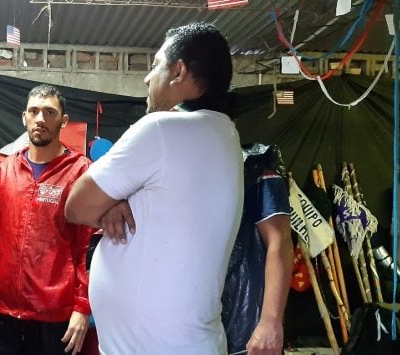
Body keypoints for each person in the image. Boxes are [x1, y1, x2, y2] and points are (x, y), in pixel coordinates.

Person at [65, 23, 243, 354]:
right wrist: (115, 199)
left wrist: (108, 200)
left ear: (178, 71)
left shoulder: (161, 129)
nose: (148, 78)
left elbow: (76, 206)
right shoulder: (225, 135)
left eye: (156, 64)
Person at [0, 84, 93, 355]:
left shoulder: (81, 172)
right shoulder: (7, 168)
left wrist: (82, 307)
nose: (40, 119)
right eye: (34, 111)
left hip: (55, 316)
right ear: (24, 117)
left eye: (49, 112)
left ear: (63, 120)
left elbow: (86, 247)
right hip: (3, 311)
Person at [221, 143, 292, 355]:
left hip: (244, 323)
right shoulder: (173, 168)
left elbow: (278, 240)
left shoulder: (252, 164)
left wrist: (270, 321)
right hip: (193, 324)